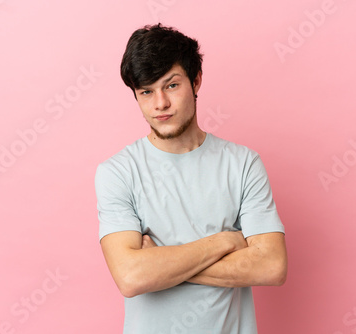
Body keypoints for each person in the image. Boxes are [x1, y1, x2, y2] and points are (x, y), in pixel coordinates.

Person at [95, 23, 287, 334]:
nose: (160, 104)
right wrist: (226, 241)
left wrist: (159, 263)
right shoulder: (117, 172)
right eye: (146, 92)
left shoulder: (242, 164)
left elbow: (272, 266)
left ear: (195, 81)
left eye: (171, 85)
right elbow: (131, 277)